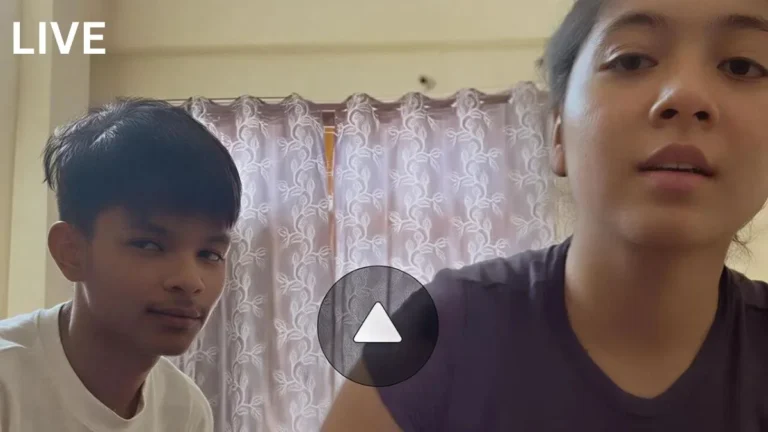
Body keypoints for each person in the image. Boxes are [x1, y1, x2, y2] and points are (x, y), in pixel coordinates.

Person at [322, 0, 768, 429]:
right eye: (631, 60)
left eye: (742, 66)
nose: (685, 95)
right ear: (557, 132)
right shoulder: (442, 328)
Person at [0, 98, 242, 431]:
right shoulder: (8, 385)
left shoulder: (184, 410)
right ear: (71, 252)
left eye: (210, 254)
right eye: (149, 245)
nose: (190, 280)